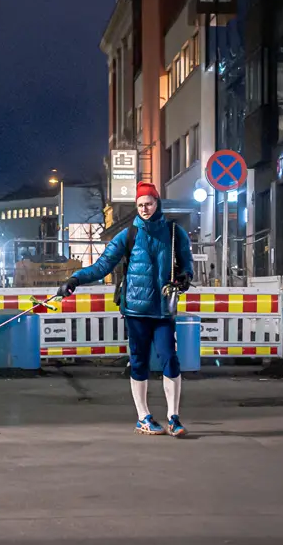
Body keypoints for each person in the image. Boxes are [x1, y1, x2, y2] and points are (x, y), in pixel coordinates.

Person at [58, 182, 193, 436]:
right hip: (135, 310)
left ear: (157, 202)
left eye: (149, 204)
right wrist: (75, 279)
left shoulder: (175, 232)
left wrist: (185, 276)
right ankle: (143, 417)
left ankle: (173, 417)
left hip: (164, 309)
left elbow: (187, 263)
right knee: (139, 362)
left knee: (170, 359)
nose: (144, 209)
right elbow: (102, 266)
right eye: (140, 205)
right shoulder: (128, 235)